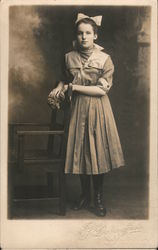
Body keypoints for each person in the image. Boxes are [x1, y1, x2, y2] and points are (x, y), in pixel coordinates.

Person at [50, 13, 125, 217]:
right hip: (76, 110)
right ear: (77, 36)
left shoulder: (104, 59)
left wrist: (74, 87)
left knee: (97, 153)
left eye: (88, 33)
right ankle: (85, 195)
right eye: (80, 33)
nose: (84, 37)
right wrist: (58, 88)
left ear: (95, 35)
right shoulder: (68, 57)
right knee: (81, 152)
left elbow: (102, 90)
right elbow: (64, 79)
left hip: (98, 109)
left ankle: (98, 197)